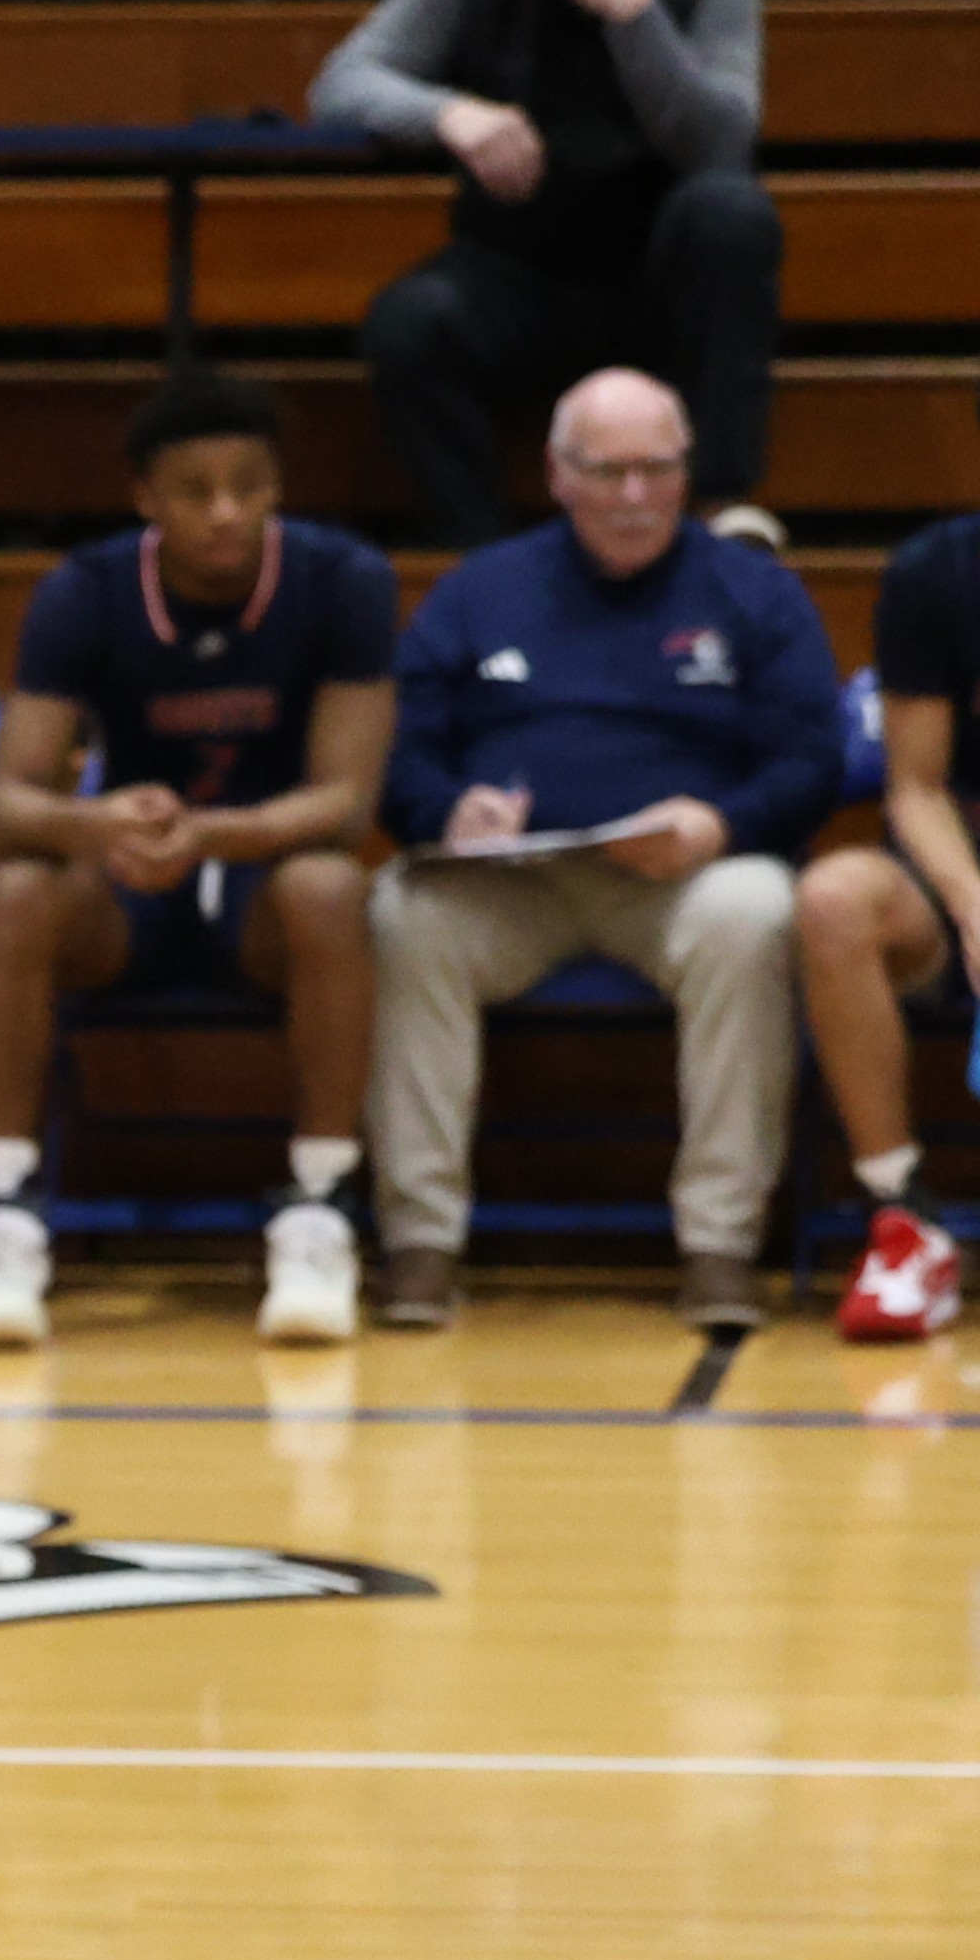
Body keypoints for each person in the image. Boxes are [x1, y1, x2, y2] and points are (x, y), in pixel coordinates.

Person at [363, 366, 835, 1329]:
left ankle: (718, 1245)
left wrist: (722, 824)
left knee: (755, 912)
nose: (633, 496)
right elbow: (398, 758)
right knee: (404, 911)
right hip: (513, 882)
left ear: (686, 472)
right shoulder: (477, 590)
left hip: (680, 879)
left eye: (656, 470)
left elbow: (810, 761)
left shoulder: (753, 592)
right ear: (556, 474)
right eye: (607, 471)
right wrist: (448, 813)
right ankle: (418, 1240)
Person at [0, 368, 400, 1350]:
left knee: (329, 886)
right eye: (195, 492)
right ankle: (0, 1209)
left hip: (261, 883)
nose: (225, 511)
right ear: (145, 500)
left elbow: (344, 805)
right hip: (130, 885)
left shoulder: (342, 581)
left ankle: (319, 1204)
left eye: (248, 486)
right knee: (19, 889)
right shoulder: (85, 590)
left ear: (277, 488)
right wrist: (97, 822)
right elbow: (4, 807)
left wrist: (210, 834)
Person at [316, 0, 773, 551]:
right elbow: (342, 81)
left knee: (731, 215)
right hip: (521, 271)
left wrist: (633, 11)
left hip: (663, 281)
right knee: (408, 324)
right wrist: (449, 114)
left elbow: (723, 140)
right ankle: (480, 555)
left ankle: (719, 510)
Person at [786, 325, 980, 1343]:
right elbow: (914, 787)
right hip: (962, 881)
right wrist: (974, 901)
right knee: (831, 898)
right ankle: (904, 1219)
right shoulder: (934, 575)